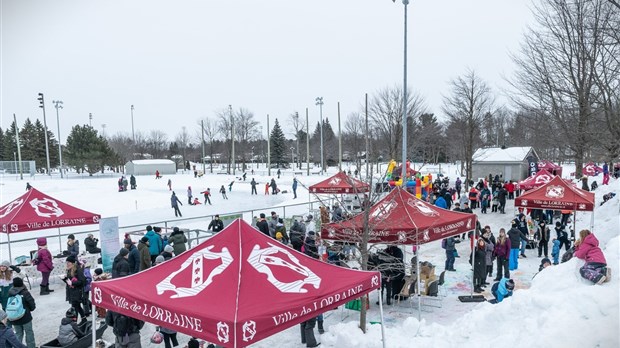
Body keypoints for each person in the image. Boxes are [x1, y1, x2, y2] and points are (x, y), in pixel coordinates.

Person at [7, 276, 36, 348]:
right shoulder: (25, 292)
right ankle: (31, 346)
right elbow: (32, 304)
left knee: (18, 334)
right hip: (25, 317)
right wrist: (29, 310)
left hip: (14, 317)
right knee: (29, 333)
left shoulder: (10, 292)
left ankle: (17, 346)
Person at [62, 256, 87, 324]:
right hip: (72, 292)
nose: (67, 264)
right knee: (77, 306)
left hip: (77, 292)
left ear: (72, 263)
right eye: (66, 262)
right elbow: (69, 282)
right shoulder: (69, 269)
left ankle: (74, 322)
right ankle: (84, 319)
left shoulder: (78, 270)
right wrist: (65, 279)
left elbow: (82, 282)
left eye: (68, 262)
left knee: (74, 307)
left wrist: (72, 283)